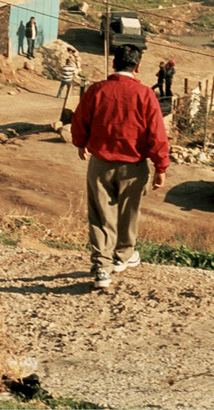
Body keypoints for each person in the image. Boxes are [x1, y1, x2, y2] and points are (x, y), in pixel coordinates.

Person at [71, 44, 170, 290]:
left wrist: (81, 143)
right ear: (137, 67)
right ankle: (123, 256)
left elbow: (79, 120)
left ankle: (102, 269)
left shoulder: (97, 90)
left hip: (100, 164)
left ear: (114, 64)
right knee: (129, 212)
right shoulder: (146, 94)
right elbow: (157, 134)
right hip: (134, 167)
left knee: (101, 215)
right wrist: (161, 167)